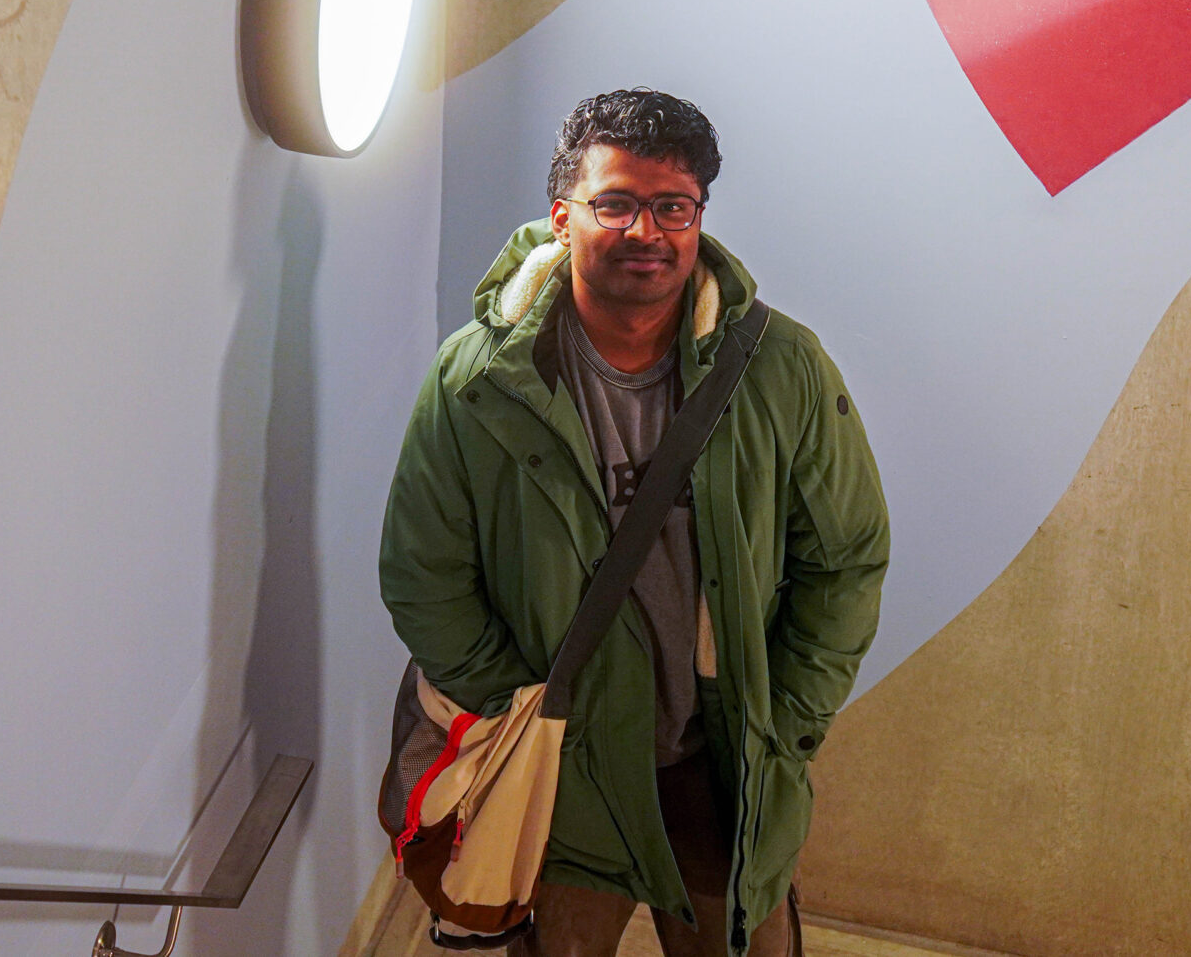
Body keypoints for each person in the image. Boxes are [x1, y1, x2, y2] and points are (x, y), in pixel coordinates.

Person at [379, 89, 889, 957]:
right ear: (562, 215)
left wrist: (785, 722)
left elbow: (846, 558)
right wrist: (515, 709)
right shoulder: (475, 382)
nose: (645, 231)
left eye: (672, 206)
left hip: (719, 769)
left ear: (698, 217)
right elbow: (423, 573)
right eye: (614, 203)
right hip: (563, 778)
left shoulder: (781, 369)